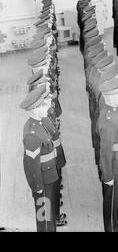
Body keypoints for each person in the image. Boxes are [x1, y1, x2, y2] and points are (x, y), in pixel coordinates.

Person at [20, 85, 58, 232]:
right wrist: (38, 189)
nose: (46, 106)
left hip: (48, 176)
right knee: (44, 221)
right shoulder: (32, 133)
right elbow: (31, 166)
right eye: (43, 105)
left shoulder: (39, 123)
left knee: (49, 217)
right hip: (42, 182)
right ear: (35, 109)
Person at [97, 77, 118, 232]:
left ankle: (116, 226)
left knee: (116, 198)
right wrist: (108, 176)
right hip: (113, 165)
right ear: (109, 97)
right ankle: (112, 229)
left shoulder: (112, 110)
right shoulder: (109, 119)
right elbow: (105, 152)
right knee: (112, 200)